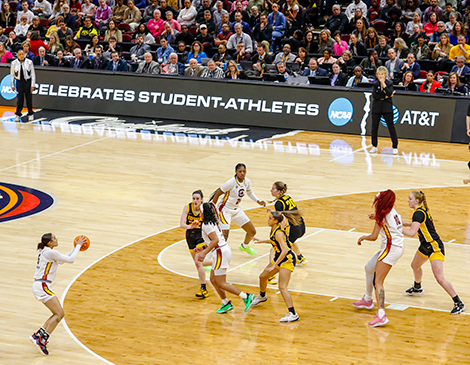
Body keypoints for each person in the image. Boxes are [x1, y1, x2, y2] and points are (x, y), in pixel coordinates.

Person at [402, 191, 465, 315]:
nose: (407, 201)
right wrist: (408, 224)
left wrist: (396, 229)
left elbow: (411, 233)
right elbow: (423, 226)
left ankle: (458, 302)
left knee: (439, 278)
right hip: (425, 245)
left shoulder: (418, 214)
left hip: (434, 247)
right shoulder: (421, 211)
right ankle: (417, 287)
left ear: (416, 201)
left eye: (410, 199)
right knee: (415, 266)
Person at [353, 190, 404, 327]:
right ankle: (368, 299)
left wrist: (364, 237)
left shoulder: (382, 216)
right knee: (369, 267)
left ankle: (381, 315)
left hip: (391, 248)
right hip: (395, 246)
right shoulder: (393, 211)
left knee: (379, 281)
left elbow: (374, 236)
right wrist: (376, 217)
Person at [195, 202, 255, 314]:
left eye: (200, 211)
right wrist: (203, 248)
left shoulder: (206, 225)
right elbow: (212, 240)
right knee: (213, 279)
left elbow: (215, 240)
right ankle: (226, 303)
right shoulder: (212, 222)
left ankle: (246, 296)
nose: (199, 213)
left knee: (221, 283)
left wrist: (204, 253)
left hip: (220, 252)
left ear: (203, 212)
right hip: (221, 251)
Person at [30, 233, 85, 355]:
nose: (56, 239)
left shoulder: (46, 251)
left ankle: (38, 335)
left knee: (56, 313)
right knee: (59, 313)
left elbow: (61, 261)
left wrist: (76, 247)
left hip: (41, 284)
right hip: (42, 285)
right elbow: (70, 260)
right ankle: (42, 340)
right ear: (49, 243)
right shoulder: (50, 252)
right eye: (54, 238)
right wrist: (78, 246)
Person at [249, 210, 301, 322]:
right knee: (263, 277)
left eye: (270, 219)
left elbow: (285, 250)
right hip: (279, 259)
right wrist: (262, 241)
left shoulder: (278, 232)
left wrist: (274, 265)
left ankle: (293, 313)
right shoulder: (274, 230)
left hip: (287, 260)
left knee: (282, 287)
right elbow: (274, 241)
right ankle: (262, 296)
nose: (268, 220)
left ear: (276, 221)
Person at [210, 163, 266, 255]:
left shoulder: (247, 181)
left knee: (252, 231)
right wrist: (212, 207)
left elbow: (250, 192)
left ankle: (244, 246)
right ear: (236, 172)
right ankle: (213, 256)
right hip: (225, 210)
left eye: (244, 171)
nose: (242, 173)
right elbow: (218, 193)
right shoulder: (231, 182)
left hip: (236, 210)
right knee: (224, 236)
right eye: (240, 171)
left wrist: (258, 201)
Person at [179, 190, 211, 299]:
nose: (195, 201)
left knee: (198, 263)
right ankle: (216, 261)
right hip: (190, 236)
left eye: (197, 199)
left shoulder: (204, 209)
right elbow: (182, 224)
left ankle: (204, 289)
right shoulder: (187, 207)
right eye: (194, 198)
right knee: (198, 263)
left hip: (200, 236)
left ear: (202, 199)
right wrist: (190, 226)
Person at [370, 66, 398, 154]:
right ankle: (374, 146)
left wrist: (383, 84)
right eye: (379, 74)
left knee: (391, 127)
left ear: (385, 75)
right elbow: (375, 96)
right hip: (376, 107)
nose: (380, 76)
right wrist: (385, 97)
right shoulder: (375, 84)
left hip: (387, 108)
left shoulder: (389, 83)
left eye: (382, 74)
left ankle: (395, 146)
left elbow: (389, 92)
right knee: (374, 127)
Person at [10, 49, 35, 123]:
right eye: (20, 54)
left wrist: (32, 85)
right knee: (20, 99)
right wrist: (12, 85)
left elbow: (33, 74)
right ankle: (18, 114)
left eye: (22, 54)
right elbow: (12, 75)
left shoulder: (29, 62)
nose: (21, 56)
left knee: (29, 99)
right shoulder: (14, 63)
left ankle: (30, 113)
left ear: (25, 55)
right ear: (17, 55)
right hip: (19, 82)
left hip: (27, 82)